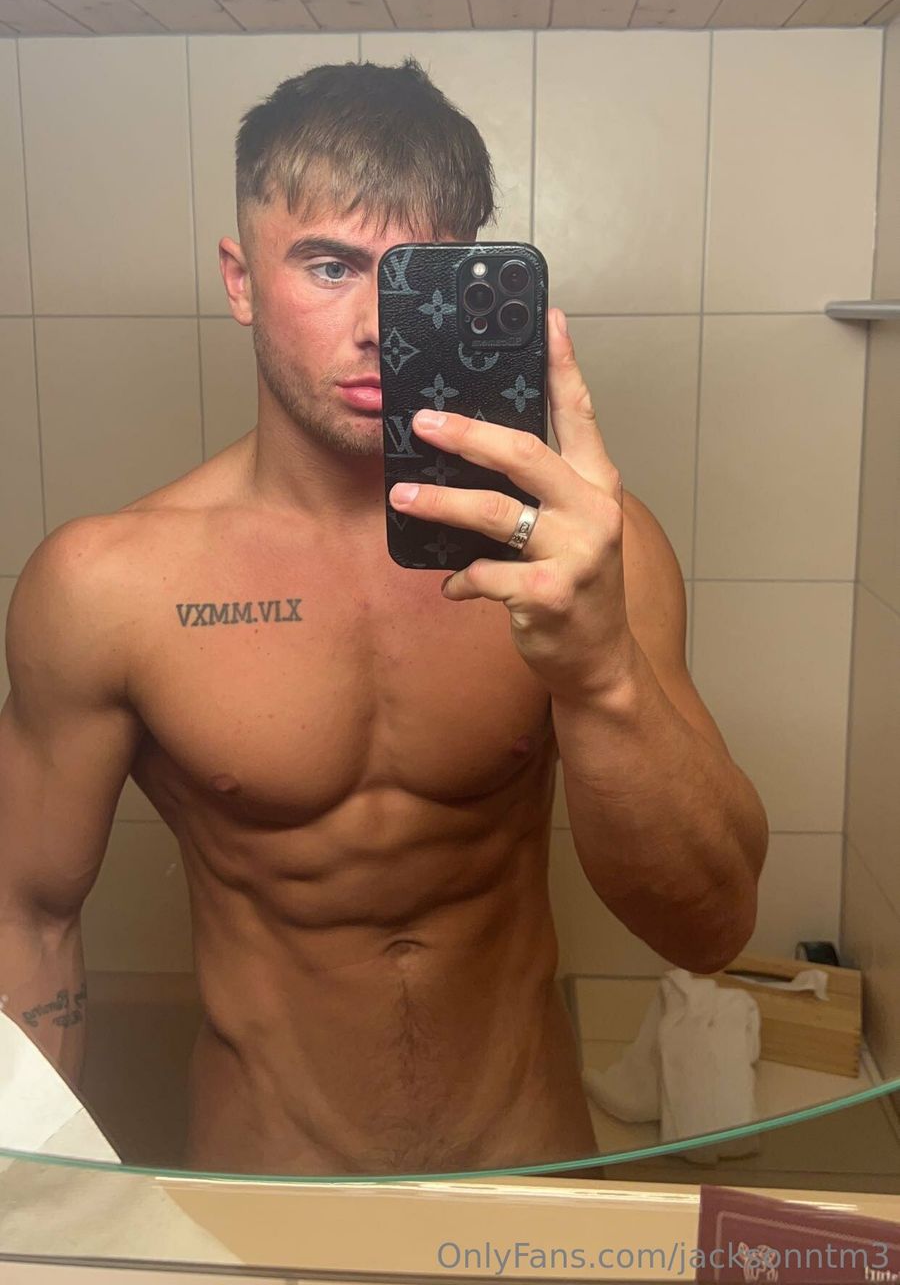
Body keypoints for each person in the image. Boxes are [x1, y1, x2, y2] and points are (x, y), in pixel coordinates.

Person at [0, 60, 768, 1177]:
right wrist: (26, 1203)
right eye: (328, 265)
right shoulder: (107, 583)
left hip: (524, 1162)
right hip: (267, 1178)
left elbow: (713, 926)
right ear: (240, 278)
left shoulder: (586, 553)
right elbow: (25, 918)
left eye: (417, 276)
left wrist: (601, 672)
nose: (375, 326)